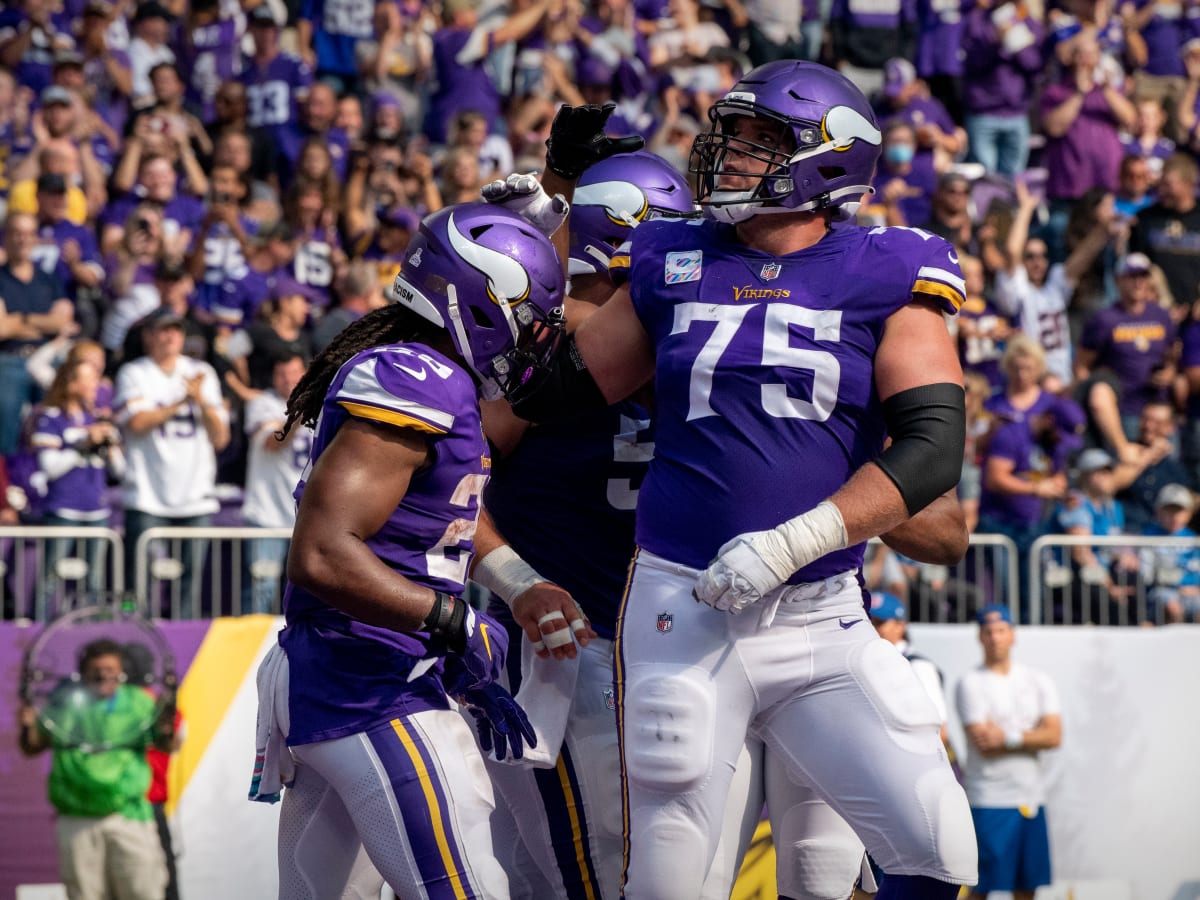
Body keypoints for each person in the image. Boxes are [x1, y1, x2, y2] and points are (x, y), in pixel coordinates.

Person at [513, 70, 977, 899]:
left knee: (937, 847)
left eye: (760, 140)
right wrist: (535, 241)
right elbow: (554, 390)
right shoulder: (670, 256)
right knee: (668, 874)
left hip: (822, 612)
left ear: (828, 159)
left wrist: (796, 540)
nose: (727, 154)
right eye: (732, 134)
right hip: (684, 604)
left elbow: (935, 447)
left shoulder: (887, 265)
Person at [255, 202, 572, 898]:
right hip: (370, 684)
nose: (536, 338)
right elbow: (324, 554)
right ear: (480, 306)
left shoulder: (436, 377)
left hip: (359, 669)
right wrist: (453, 622)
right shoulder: (412, 377)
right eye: (530, 317)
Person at [17, 638, 173, 900]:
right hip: (77, 821)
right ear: (83, 672)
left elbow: (166, 744)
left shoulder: (139, 702)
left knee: (143, 892)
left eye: (110, 670)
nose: (103, 676)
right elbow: (32, 746)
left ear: (121, 671)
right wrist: (27, 726)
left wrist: (168, 729)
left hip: (129, 817)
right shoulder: (63, 702)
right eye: (96, 670)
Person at [114, 306, 230, 617]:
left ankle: (185, 642)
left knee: (189, 584)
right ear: (149, 336)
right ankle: (134, 630)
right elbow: (136, 423)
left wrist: (201, 401)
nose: (170, 337)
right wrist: (182, 401)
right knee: (138, 579)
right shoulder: (134, 373)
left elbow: (220, 437)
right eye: (163, 330)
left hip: (195, 495)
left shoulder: (202, 372)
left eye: (176, 330)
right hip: (148, 494)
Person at [956, 604, 1062, 900]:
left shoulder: (1038, 680)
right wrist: (1032, 734)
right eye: (988, 632)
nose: (995, 638)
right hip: (989, 799)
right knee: (980, 887)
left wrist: (1008, 736)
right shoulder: (971, 682)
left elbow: (1054, 736)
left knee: (1027, 887)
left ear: (1013, 635)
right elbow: (984, 744)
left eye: (1001, 631)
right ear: (980, 637)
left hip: (1031, 798)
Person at [240, 352, 310, 614]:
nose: (288, 380)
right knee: (261, 590)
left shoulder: (323, 405)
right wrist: (298, 415)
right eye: (282, 374)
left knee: (305, 594)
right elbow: (274, 442)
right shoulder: (262, 403)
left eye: (294, 373)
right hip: (267, 515)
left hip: (304, 519)